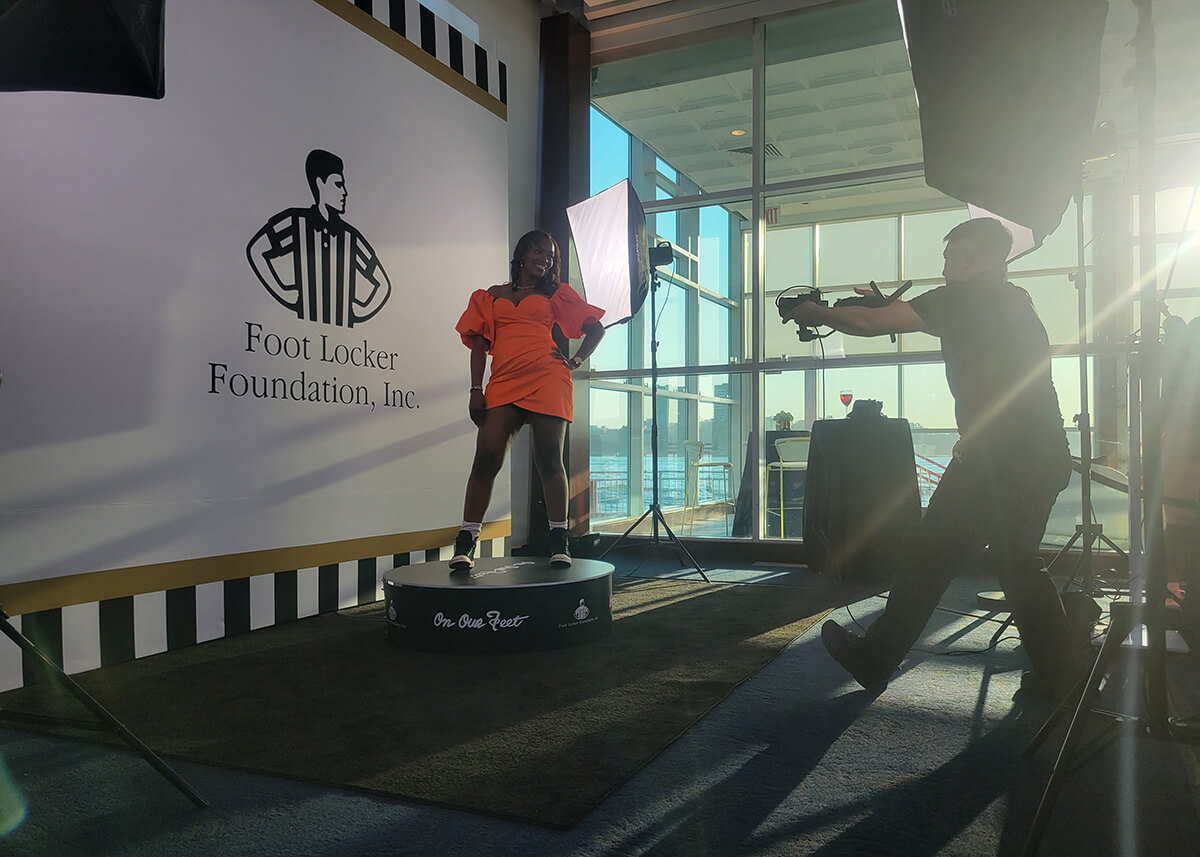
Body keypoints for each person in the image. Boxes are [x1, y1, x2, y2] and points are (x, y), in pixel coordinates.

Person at [783, 216, 1082, 697]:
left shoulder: (961, 298)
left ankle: (876, 657)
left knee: (928, 555)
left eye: (949, 257)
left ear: (972, 257)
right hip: (1043, 454)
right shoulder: (1014, 299)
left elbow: (870, 324)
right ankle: (1062, 676)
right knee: (1017, 564)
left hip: (999, 461)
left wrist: (813, 311)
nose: (943, 267)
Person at [450, 230, 605, 571]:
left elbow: (597, 329)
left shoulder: (555, 294)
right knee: (486, 457)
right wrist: (475, 390)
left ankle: (558, 540)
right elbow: (478, 346)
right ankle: (466, 540)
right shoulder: (491, 295)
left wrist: (575, 361)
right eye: (538, 251)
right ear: (522, 252)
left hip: (548, 379)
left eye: (550, 256)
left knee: (549, 459)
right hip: (504, 380)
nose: (544, 259)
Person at [246, 148, 392, 327]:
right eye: (338, 185)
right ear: (320, 184)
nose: (345, 192)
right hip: (299, 330)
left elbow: (383, 284)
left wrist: (358, 311)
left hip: (341, 333)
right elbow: (256, 249)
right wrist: (284, 292)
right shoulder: (296, 222)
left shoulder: (350, 237)